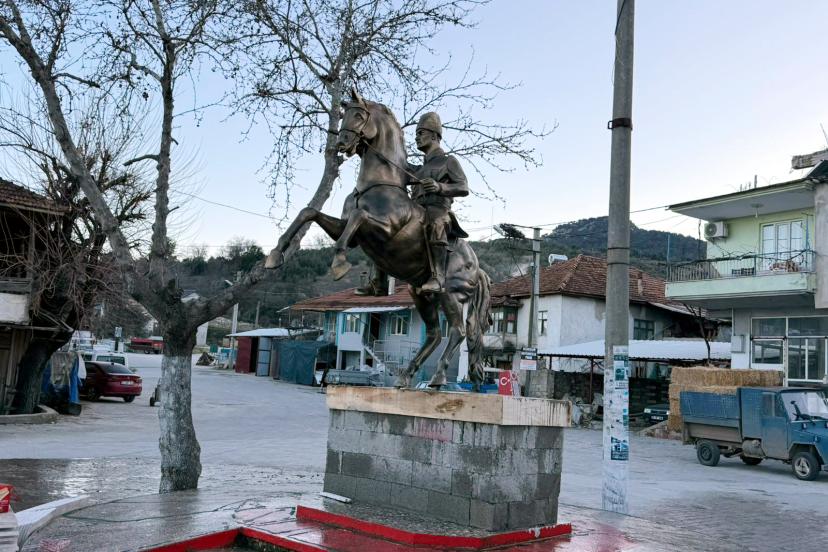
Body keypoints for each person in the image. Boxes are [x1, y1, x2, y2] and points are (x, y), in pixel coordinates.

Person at [408, 112, 469, 293]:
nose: (416, 137)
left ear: (434, 135)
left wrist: (439, 187)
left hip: (438, 209)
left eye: (421, 133)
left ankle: (438, 277)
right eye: (416, 134)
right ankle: (379, 280)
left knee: (437, 223)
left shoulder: (448, 161)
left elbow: (463, 187)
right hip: (416, 211)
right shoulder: (418, 170)